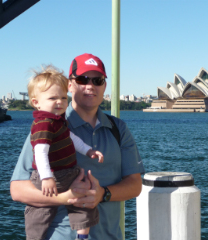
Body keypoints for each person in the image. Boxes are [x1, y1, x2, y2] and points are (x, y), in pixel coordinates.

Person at [10, 53, 145, 240]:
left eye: (97, 80)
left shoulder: (118, 129)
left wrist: (103, 194)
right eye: (82, 79)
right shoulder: (49, 126)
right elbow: (17, 189)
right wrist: (66, 198)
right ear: (70, 85)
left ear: (104, 86)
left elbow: (135, 185)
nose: (90, 86)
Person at [25, 65, 104, 240]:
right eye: (53, 98)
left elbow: (71, 138)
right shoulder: (43, 123)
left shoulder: (57, 121)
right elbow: (40, 153)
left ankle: (82, 235)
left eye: (63, 97)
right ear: (36, 102)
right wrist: (46, 177)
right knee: (41, 211)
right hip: (50, 176)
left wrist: (88, 150)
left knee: (83, 199)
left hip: (67, 173)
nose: (60, 102)